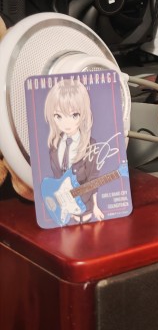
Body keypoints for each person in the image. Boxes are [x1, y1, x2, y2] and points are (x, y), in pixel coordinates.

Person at [44, 78, 104, 224]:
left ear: (83, 114)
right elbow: (56, 179)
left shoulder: (90, 145)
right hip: (62, 210)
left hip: (84, 209)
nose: (66, 123)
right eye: (58, 116)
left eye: (74, 115)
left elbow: (93, 178)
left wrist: (95, 206)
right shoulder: (54, 146)